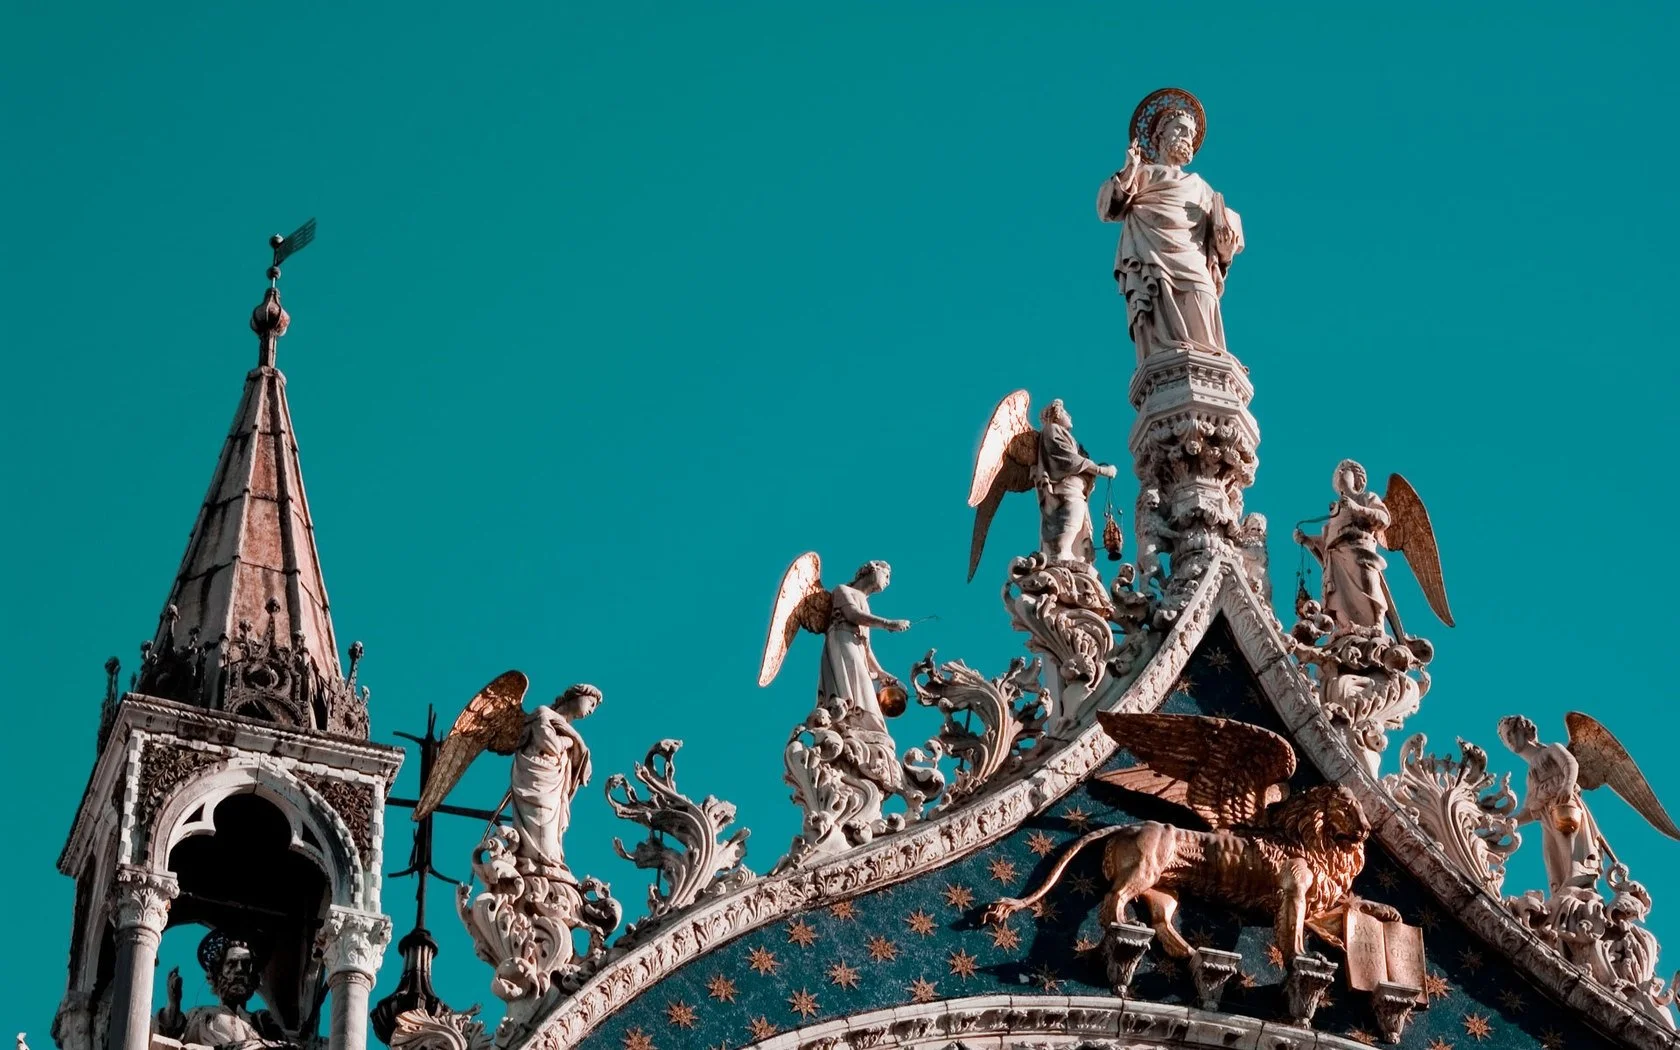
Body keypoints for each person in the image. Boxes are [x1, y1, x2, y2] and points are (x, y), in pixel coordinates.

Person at [1098, 93, 1243, 361]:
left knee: (1203, 300)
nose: (1187, 136)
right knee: (1157, 319)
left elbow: (1222, 244)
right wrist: (1129, 169)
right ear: (1160, 135)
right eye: (1180, 129)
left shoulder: (1203, 188)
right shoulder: (1141, 175)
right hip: (1152, 255)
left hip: (1193, 259)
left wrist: (1225, 248)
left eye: (1191, 132)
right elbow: (1108, 208)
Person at [1498, 714, 1604, 896]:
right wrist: (1513, 821)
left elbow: (1570, 763)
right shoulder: (1531, 775)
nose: (1508, 740)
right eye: (1504, 738)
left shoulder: (1551, 750)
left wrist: (1568, 785)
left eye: (1510, 733)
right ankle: (1560, 890)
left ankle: (1577, 881)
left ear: (1523, 731)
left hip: (1564, 805)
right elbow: (1532, 809)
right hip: (1547, 818)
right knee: (1551, 855)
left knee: (1569, 844)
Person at [508, 684, 601, 878]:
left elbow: (578, 765)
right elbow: (551, 745)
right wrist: (573, 741)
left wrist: (577, 748)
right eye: (591, 703)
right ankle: (539, 864)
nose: (591, 710)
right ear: (577, 696)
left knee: (551, 829)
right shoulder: (543, 715)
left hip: (555, 787)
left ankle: (549, 861)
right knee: (539, 823)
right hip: (536, 781)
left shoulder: (563, 727)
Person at [1295, 460, 1390, 635]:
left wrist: (1358, 508)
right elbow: (1328, 543)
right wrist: (1308, 540)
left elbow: (1384, 519)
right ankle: (1347, 628)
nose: (1339, 475)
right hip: (1336, 557)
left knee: (1366, 582)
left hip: (1359, 549)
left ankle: (1376, 624)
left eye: (1344, 470)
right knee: (1338, 596)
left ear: (1357, 477)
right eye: (1337, 473)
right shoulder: (1335, 511)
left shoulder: (1366, 497)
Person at [155, 933, 289, 1050]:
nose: (239, 970)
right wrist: (173, 1005)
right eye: (232, 964)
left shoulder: (263, 1022)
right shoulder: (199, 1015)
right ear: (217, 974)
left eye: (246, 965)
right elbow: (167, 1036)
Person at [1034, 401, 1117, 565]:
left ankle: (1070, 555)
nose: (1069, 415)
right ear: (1056, 415)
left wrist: (1091, 469)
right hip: (1065, 489)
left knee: (1078, 522)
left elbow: (1076, 460)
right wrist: (1100, 470)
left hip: (1075, 489)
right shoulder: (1051, 429)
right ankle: (1060, 553)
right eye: (1065, 412)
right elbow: (1067, 459)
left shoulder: (1063, 434)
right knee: (1071, 516)